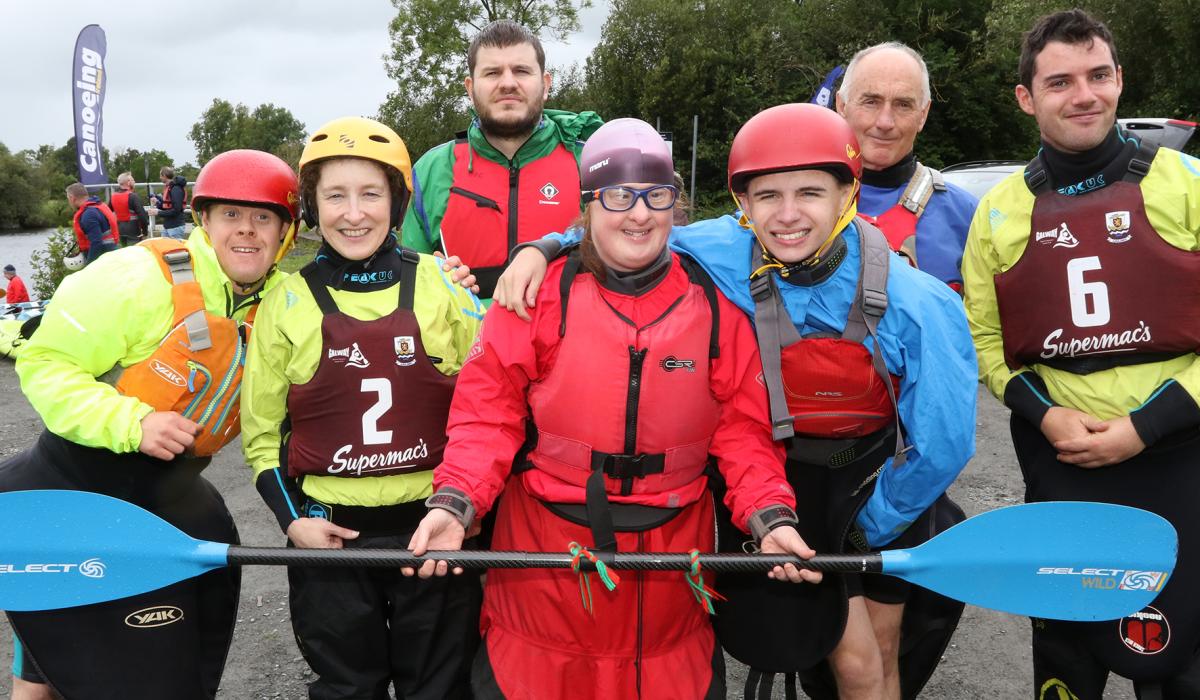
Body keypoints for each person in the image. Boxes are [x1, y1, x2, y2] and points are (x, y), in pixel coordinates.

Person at [496, 104, 977, 699]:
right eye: (768, 196)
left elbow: (943, 443)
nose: (788, 215)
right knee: (828, 652)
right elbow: (631, 227)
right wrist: (541, 248)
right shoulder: (723, 247)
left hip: (878, 484)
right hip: (783, 471)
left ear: (848, 194)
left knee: (871, 654)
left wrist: (872, 525)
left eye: (810, 193)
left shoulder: (920, 303)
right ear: (744, 205)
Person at [405, 117, 817, 699]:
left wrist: (770, 516)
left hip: (671, 563)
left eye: (657, 195)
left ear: (675, 205)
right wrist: (456, 501)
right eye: (619, 195)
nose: (639, 214)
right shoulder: (536, 295)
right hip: (545, 559)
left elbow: (744, 434)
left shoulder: (716, 304)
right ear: (589, 206)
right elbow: (486, 415)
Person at [0, 149, 301, 700]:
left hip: (167, 501)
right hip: (71, 490)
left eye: (263, 218)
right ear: (203, 219)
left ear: (285, 233)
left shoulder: (285, 300)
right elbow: (45, 363)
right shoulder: (138, 277)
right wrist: (133, 422)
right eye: (231, 215)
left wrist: (450, 280)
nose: (246, 230)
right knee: (42, 677)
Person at [962, 9, 1200, 698]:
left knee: (1179, 659)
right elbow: (986, 342)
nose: (1084, 95)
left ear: (1120, 79)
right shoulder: (998, 211)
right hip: (1062, 462)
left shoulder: (1188, 184)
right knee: (1067, 653)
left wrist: (1146, 426)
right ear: (1026, 98)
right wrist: (1046, 416)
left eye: (1098, 75)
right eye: (1060, 82)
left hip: (1180, 457)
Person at [240, 116, 485, 700]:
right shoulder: (286, 300)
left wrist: (466, 510)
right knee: (347, 689)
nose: (354, 214)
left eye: (370, 194)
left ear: (396, 202)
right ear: (313, 206)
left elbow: (489, 410)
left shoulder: (446, 286)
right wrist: (291, 522)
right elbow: (262, 434)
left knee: (440, 690)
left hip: (433, 532)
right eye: (335, 196)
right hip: (330, 540)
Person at [401, 19, 603, 301]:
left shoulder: (592, 161)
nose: (508, 83)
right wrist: (432, 283)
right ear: (470, 88)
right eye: (493, 73)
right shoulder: (433, 169)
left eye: (521, 71)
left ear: (545, 84)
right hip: (465, 331)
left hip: (571, 329)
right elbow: (408, 290)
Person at [836, 41, 979, 291]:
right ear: (842, 106)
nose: (885, 122)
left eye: (903, 105)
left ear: (923, 115)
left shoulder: (966, 215)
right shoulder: (794, 207)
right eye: (871, 101)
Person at [65, 181, 119, 266]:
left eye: (68, 199)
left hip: (103, 258)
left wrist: (88, 265)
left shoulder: (88, 215)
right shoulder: (97, 206)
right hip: (110, 252)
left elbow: (96, 242)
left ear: (72, 198)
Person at [109, 171, 150, 245]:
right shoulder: (133, 196)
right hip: (133, 231)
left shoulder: (113, 196)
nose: (134, 182)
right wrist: (145, 232)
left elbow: (108, 213)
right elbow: (142, 216)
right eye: (133, 180)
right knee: (134, 251)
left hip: (120, 230)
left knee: (124, 250)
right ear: (128, 183)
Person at [153, 165, 189, 239]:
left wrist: (158, 213)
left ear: (164, 175)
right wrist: (157, 203)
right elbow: (167, 207)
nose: (160, 177)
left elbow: (176, 210)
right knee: (163, 246)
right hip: (168, 227)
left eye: (160, 175)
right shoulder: (169, 187)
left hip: (175, 228)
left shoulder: (175, 189)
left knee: (175, 247)